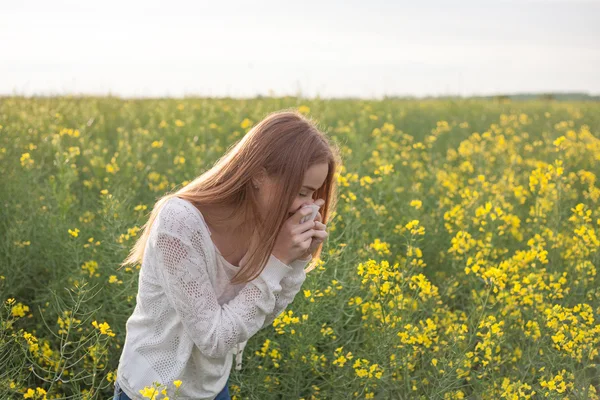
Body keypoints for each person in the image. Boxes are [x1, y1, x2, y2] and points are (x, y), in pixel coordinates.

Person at [113, 109, 342, 399]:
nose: (306, 207)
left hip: (213, 388)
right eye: (301, 193)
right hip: (151, 391)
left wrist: (294, 262)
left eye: (313, 195)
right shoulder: (180, 223)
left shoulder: (268, 223)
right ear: (259, 175)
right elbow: (215, 339)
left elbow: (257, 317)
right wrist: (279, 261)